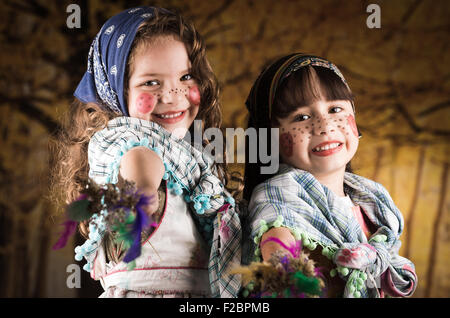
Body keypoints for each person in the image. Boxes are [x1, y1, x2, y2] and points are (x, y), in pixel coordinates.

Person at [51, 6, 242, 298]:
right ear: (117, 92)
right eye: (151, 83)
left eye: (185, 77)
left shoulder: (186, 160)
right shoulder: (136, 145)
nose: (171, 95)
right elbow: (141, 170)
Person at [243, 53, 417, 298]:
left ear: (354, 117)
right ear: (271, 137)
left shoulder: (373, 203)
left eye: (335, 109)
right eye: (302, 117)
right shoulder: (278, 202)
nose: (324, 125)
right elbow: (281, 263)